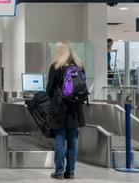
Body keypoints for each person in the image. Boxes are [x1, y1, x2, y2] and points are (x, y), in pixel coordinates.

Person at [46, 41, 86, 180]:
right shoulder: (79, 66)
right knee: (72, 140)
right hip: (75, 109)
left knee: (59, 139)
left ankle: (59, 171)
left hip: (59, 108)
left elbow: (49, 90)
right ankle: (71, 171)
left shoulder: (56, 66)